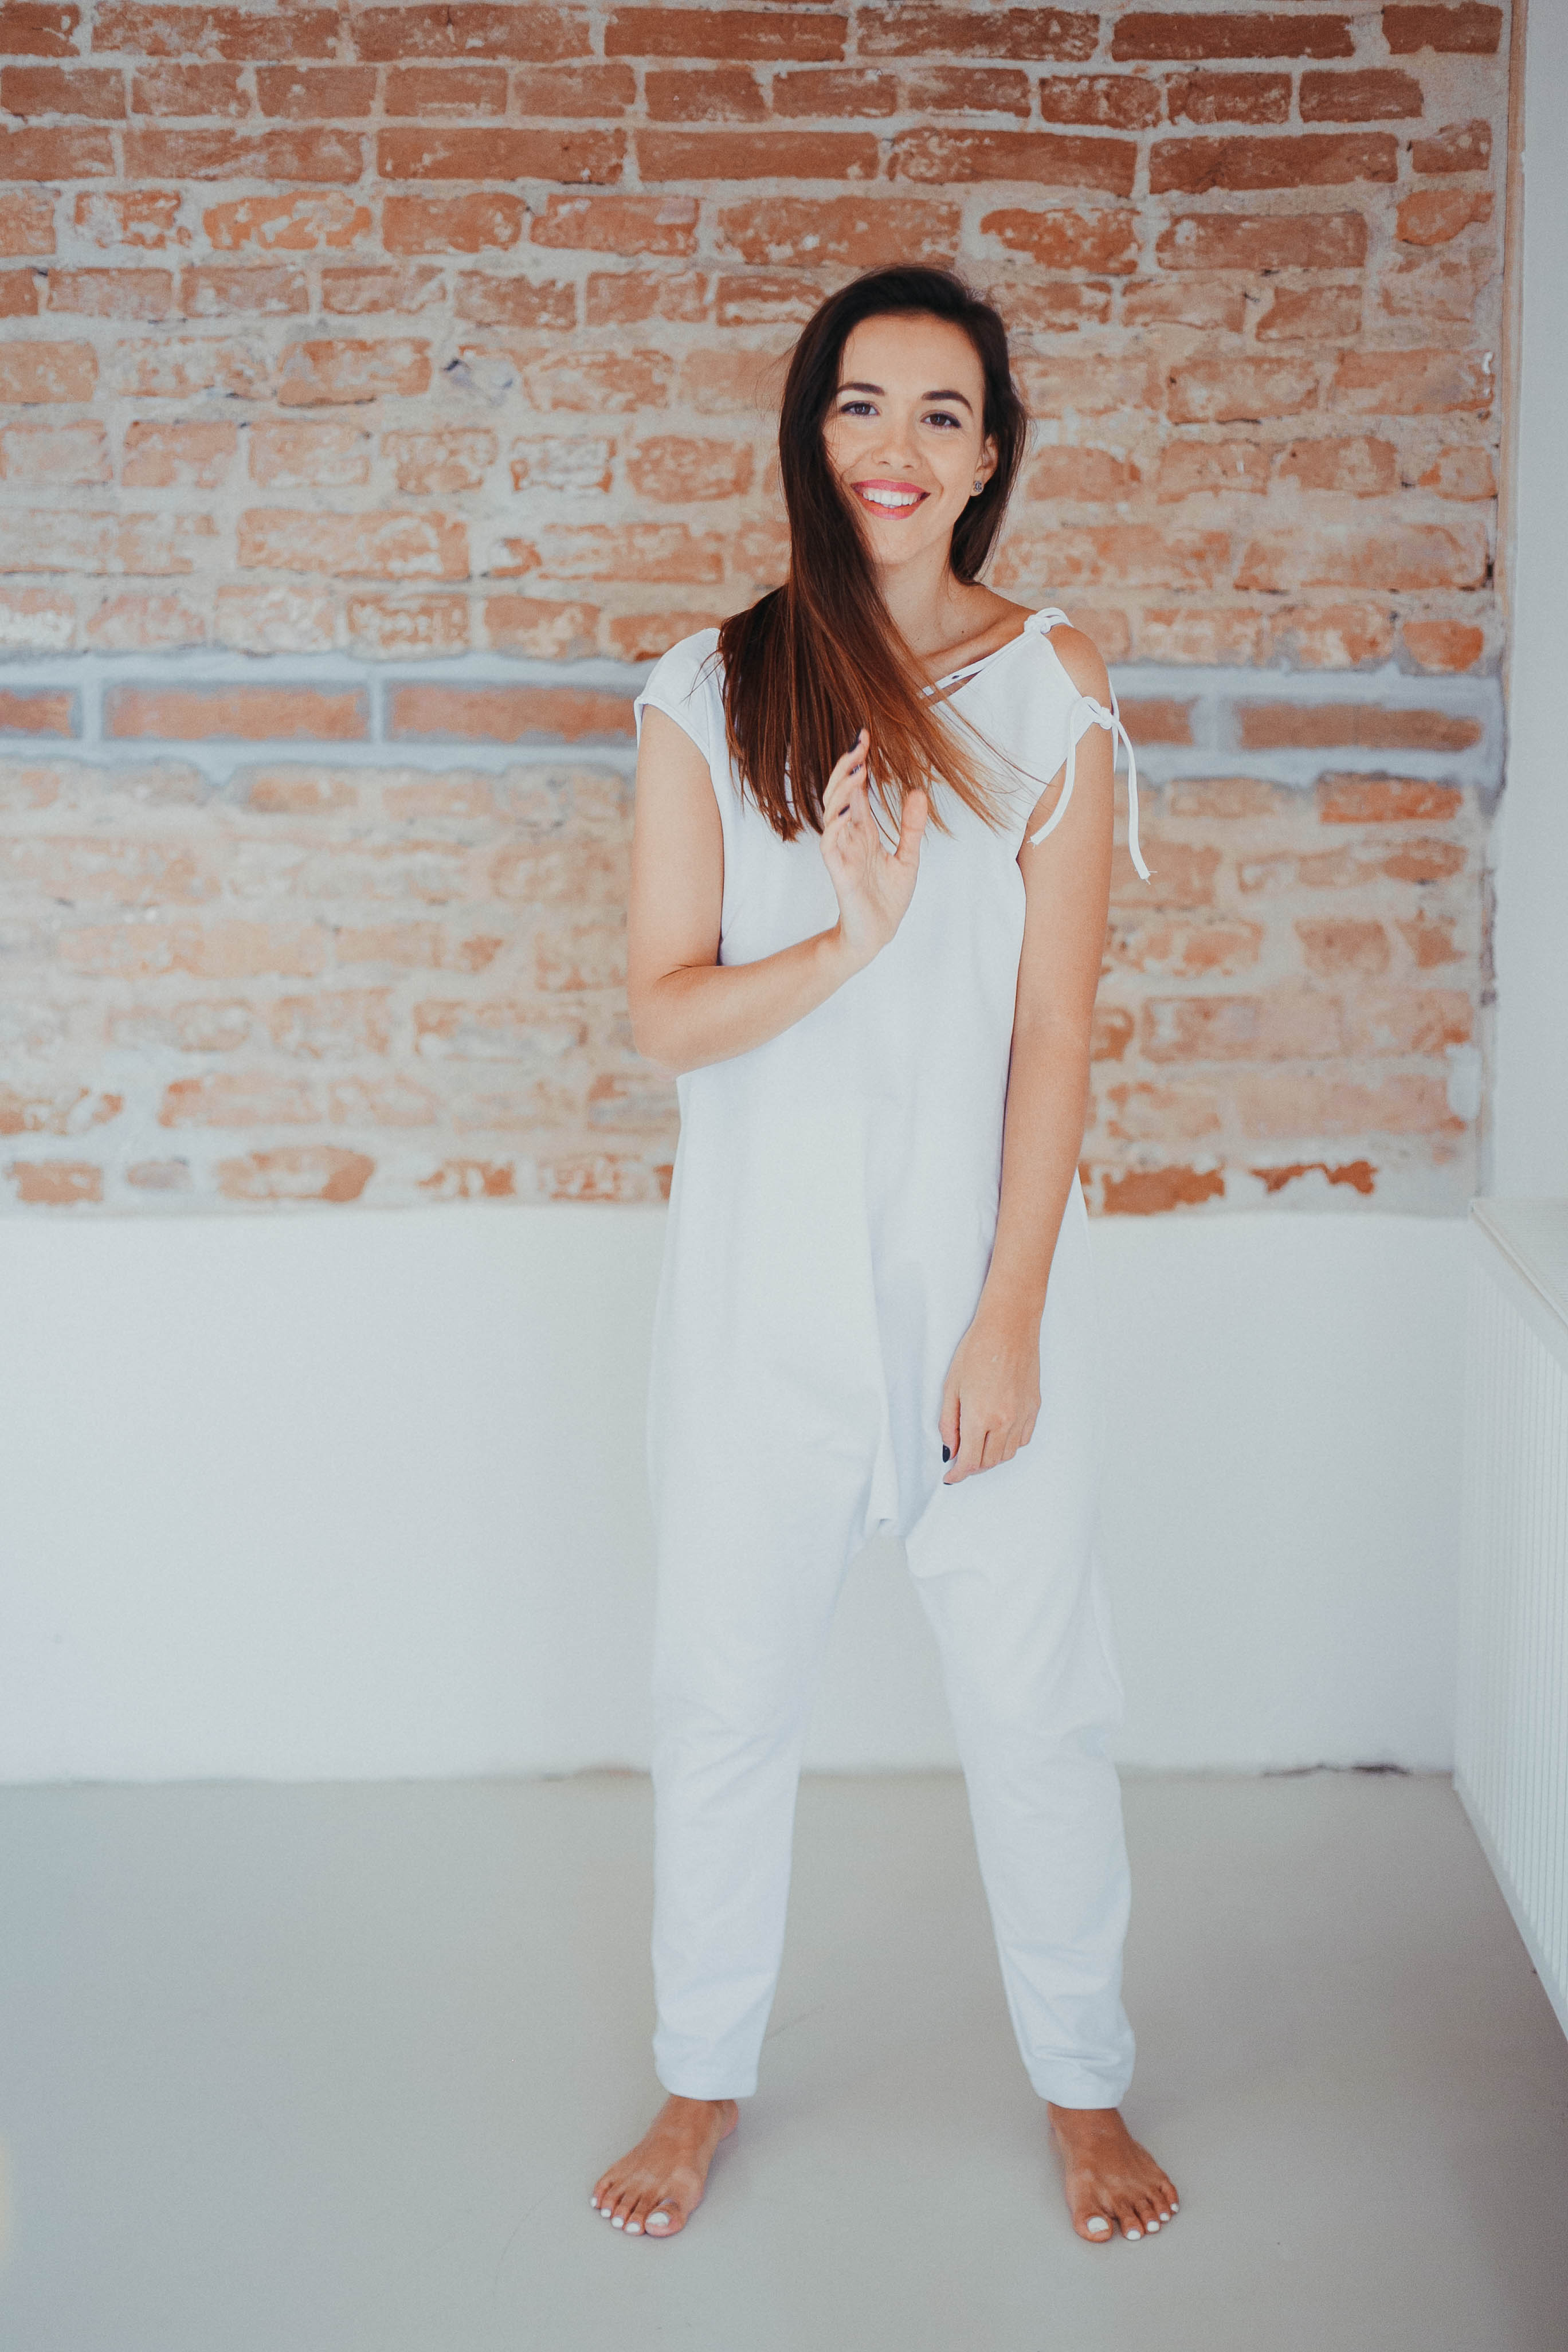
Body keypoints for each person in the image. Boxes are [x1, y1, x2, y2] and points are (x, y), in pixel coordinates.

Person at [591, 266, 1179, 2249]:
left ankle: (1085, 2091)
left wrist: (1008, 1317)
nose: (898, 448)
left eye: (942, 412)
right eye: (862, 404)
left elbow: (1057, 1033)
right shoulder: (708, 689)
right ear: (811, 429)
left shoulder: (1053, 682)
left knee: (1037, 1705)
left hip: (977, 1286)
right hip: (756, 1298)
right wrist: (847, 942)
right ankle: (700, 2080)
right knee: (724, 1698)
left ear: (990, 455)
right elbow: (668, 1016)